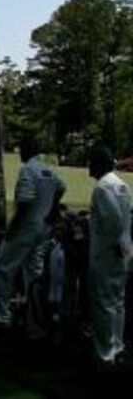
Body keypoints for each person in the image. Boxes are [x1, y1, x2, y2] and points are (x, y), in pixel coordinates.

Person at [0, 137, 65, 329]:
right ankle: (33, 316)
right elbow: (61, 187)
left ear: (27, 150)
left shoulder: (28, 170)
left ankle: (2, 316)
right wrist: (52, 209)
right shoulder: (48, 170)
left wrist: (12, 228)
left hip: (26, 228)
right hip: (43, 229)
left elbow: (24, 202)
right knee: (33, 271)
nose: (19, 153)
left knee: (3, 268)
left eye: (21, 149)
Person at [85, 146, 130, 367]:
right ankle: (117, 345)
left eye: (91, 162)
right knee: (117, 300)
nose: (89, 167)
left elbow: (113, 219)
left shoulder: (102, 188)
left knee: (103, 301)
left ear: (99, 164)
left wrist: (113, 244)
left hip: (107, 252)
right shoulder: (122, 185)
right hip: (123, 250)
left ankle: (105, 352)